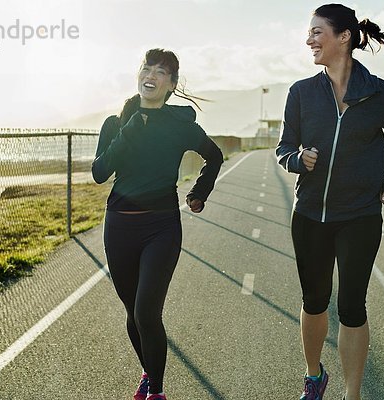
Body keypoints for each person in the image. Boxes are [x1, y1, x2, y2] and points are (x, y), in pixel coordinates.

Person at [275, 4, 384, 400]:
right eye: (309, 33)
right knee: (315, 302)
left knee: (352, 305)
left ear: (344, 37)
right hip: (311, 213)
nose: (309, 40)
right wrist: (298, 160)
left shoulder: (381, 92)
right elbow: (284, 147)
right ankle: (314, 375)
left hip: (360, 215)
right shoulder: (301, 92)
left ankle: (353, 394)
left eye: (318, 32)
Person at [92, 48, 223, 400]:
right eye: (147, 68)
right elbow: (100, 172)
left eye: (161, 72)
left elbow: (214, 156)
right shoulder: (116, 123)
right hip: (119, 227)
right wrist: (131, 128)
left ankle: (157, 393)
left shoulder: (180, 125)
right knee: (133, 314)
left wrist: (199, 191)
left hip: (161, 228)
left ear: (172, 84)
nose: (151, 75)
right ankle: (150, 374)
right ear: (139, 75)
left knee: (147, 311)